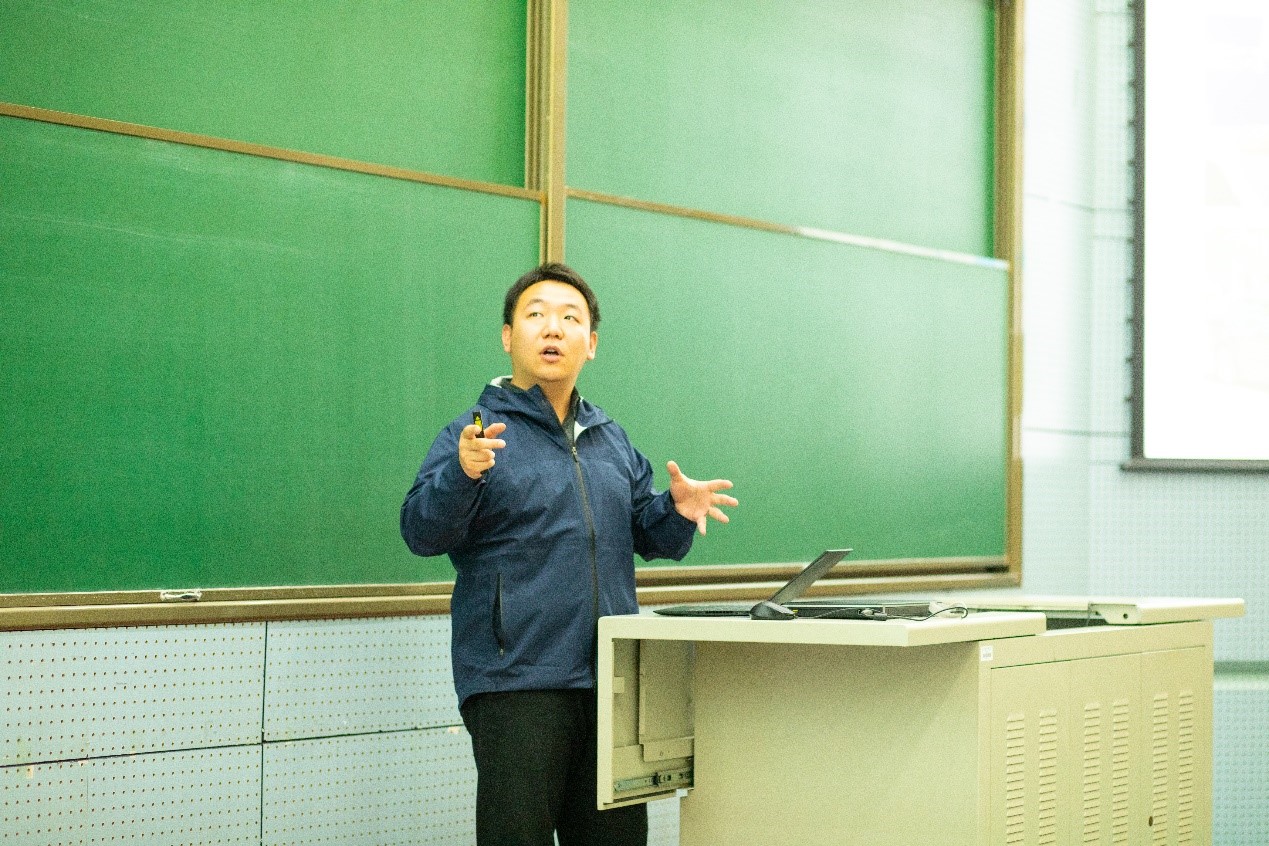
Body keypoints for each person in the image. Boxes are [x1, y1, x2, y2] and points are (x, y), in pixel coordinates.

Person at [400, 262, 737, 846]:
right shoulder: (475, 435)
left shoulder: (609, 438)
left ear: (592, 343)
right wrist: (462, 473)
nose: (553, 328)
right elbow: (421, 532)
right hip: (515, 679)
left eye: (569, 318)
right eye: (536, 315)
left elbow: (646, 532)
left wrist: (676, 509)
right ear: (508, 337)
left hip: (610, 678)